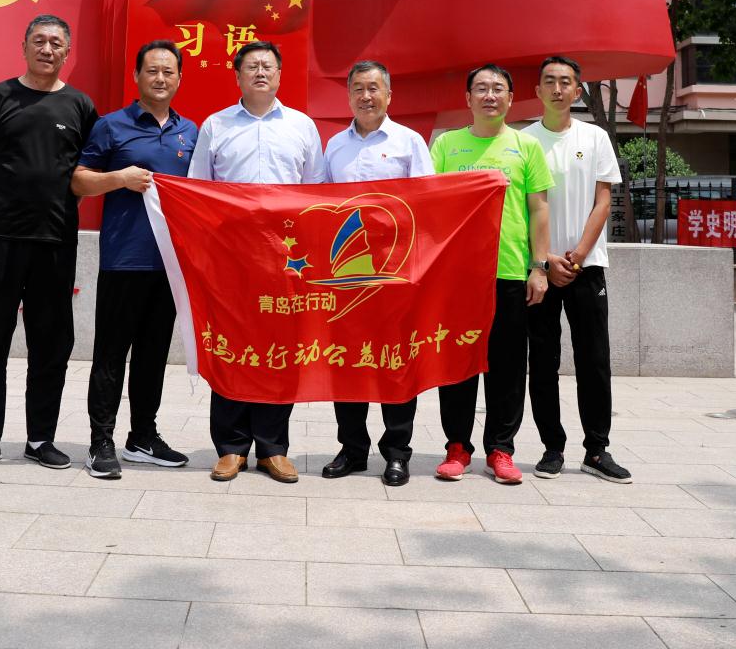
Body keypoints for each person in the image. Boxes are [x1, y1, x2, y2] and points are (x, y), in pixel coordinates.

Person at [0, 15, 99, 472]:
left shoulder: (80, 105)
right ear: (24, 46)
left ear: (67, 52)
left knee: (51, 343)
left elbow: (84, 173)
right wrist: (1, 207)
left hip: (55, 241)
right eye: (39, 40)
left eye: (56, 43)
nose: (47, 49)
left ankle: (41, 438)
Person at [189, 39, 325, 483]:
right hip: (231, 257)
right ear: (238, 76)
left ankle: (272, 447)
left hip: (287, 259)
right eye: (252, 66)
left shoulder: (302, 126)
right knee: (230, 345)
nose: (260, 72)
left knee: (280, 349)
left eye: (268, 66)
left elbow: (316, 193)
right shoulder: (216, 125)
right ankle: (231, 447)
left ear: (280, 75)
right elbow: (198, 189)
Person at [71, 40, 198, 479]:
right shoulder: (111, 126)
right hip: (124, 260)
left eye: (168, 71)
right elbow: (79, 181)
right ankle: (100, 441)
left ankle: (143, 436)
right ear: (137, 77)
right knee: (111, 354)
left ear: (179, 78)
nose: (160, 78)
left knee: (152, 354)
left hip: (170, 265)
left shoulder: (191, 132)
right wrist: (118, 178)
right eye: (152, 71)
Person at [428, 63, 552, 484]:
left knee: (508, 367)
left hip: (509, 273)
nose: (489, 95)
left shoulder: (526, 146)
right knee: (458, 364)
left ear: (510, 99)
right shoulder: (447, 145)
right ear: (467, 99)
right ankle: (457, 447)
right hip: (457, 277)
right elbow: (430, 206)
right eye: (481, 88)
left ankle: (501, 449)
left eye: (498, 88)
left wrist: (539, 266)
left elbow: (539, 210)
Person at [319, 60, 433, 487]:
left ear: (388, 95)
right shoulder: (335, 145)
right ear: (348, 95)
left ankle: (397, 452)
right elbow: (320, 204)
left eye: (373, 88)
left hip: (396, 273)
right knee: (346, 361)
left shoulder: (409, 142)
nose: (366, 96)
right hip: (347, 274)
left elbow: (428, 204)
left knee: (395, 363)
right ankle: (352, 448)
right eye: (358, 89)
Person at [525, 55, 632, 483]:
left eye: (565, 81)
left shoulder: (595, 137)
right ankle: (552, 448)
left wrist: (579, 255)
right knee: (543, 361)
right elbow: (524, 208)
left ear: (577, 90)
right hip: (540, 268)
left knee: (594, 360)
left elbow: (603, 201)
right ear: (537, 90)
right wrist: (545, 259)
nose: (557, 89)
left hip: (587, 267)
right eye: (549, 81)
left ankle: (597, 450)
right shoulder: (525, 141)